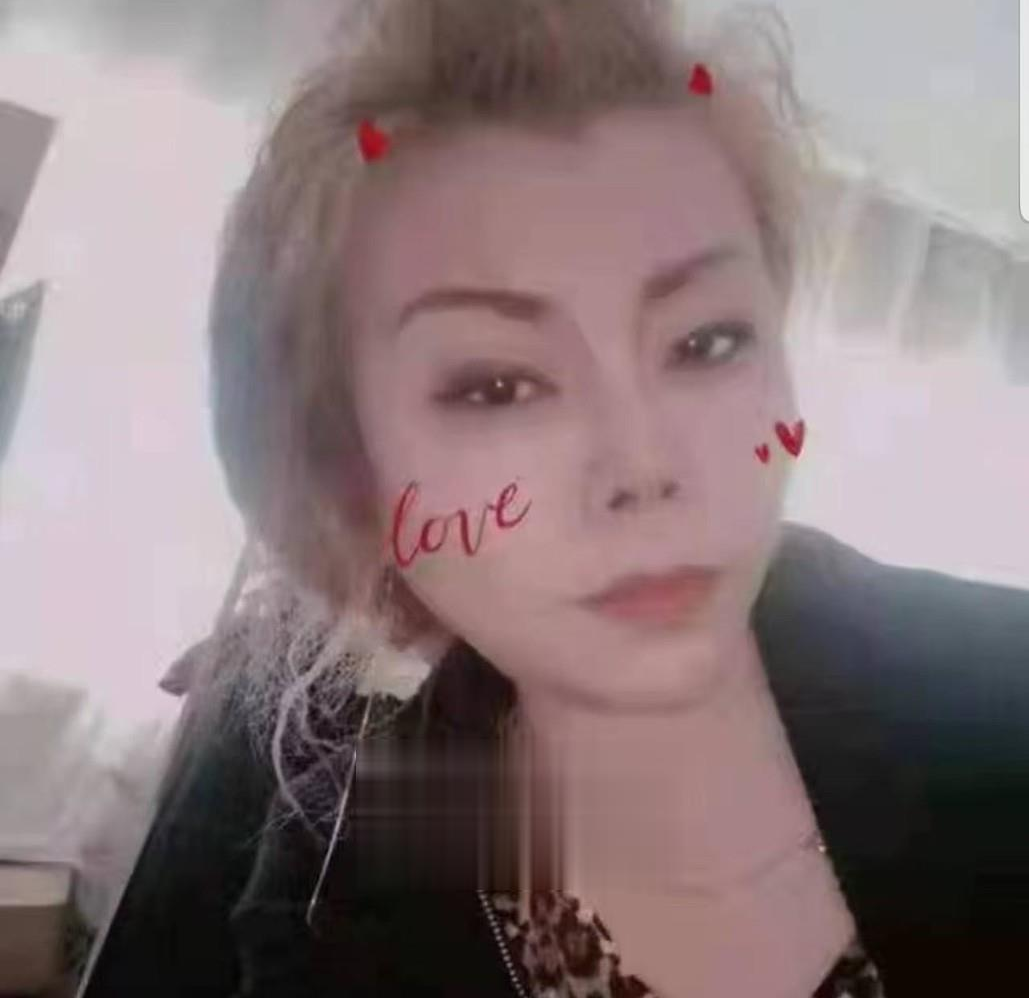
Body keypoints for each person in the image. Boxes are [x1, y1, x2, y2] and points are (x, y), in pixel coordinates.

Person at [78, 0, 1029, 995]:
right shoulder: (329, 898)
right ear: (349, 475)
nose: (645, 465)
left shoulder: (997, 705)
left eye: (704, 341)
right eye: (498, 385)